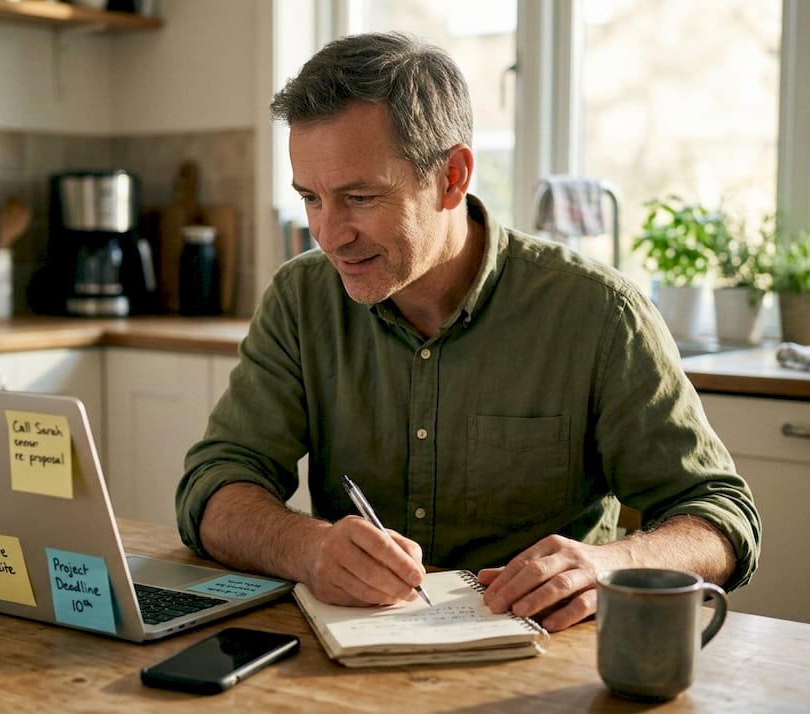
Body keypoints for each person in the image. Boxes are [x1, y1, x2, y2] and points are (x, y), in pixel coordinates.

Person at [176, 31, 760, 633]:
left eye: (358, 197)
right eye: (311, 199)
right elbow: (214, 485)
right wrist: (306, 547)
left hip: (547, 668)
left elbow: (722, 517)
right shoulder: (301, 299)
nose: (328, 235)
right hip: (348, 664)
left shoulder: (600, 313)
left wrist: (611, 564)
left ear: (452, 177)